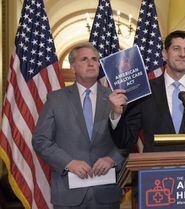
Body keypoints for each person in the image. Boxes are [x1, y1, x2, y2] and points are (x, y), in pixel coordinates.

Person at [32, 43, 125, 209]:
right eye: (84, 59)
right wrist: (68, 162)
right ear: (73, 67)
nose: (91, 63)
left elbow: (127, 139)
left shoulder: (116, 98)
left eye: (94, 59)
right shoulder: (55, 99)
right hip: (68, 195)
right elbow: (40, 140)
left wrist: (112, 158)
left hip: (106, 194)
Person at [109, 30, 185, 152]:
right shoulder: (145, 91)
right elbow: (125, 141)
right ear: (164, 53)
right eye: (176, 49)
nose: (182, 54)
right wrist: (116, 114)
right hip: (155, 168)